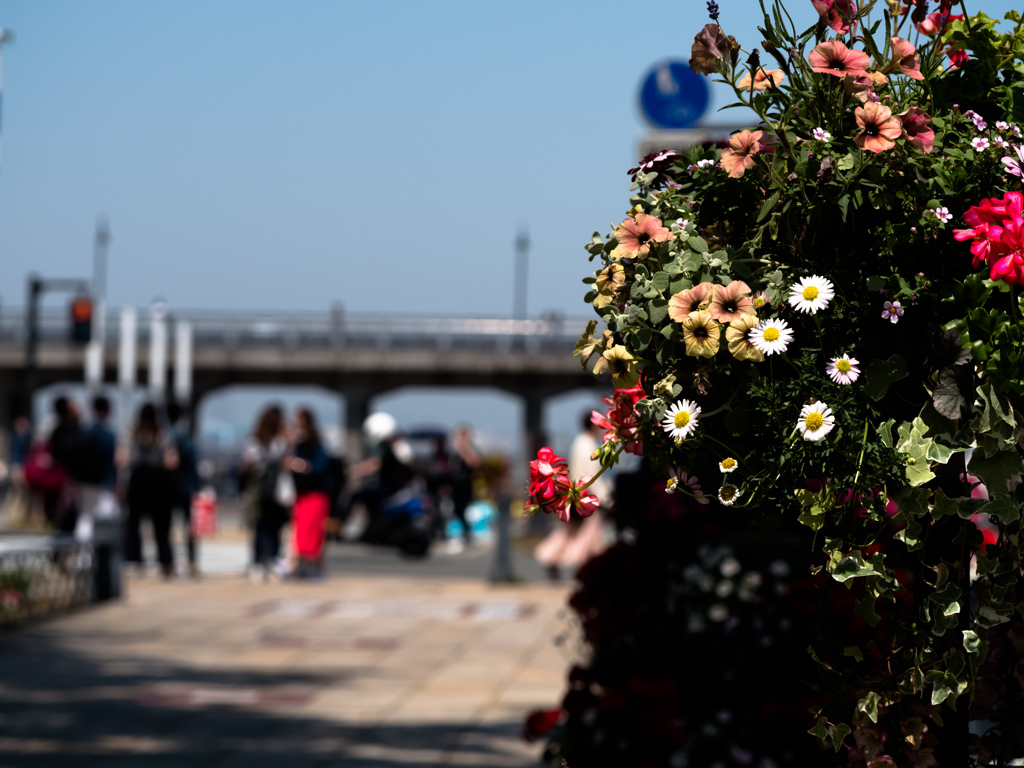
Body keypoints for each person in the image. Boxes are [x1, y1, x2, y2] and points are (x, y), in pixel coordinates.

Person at [535, 413, 610, 581]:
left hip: (577, 494)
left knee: (570, 533)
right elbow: (592, 476)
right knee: (588, 537)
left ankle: (552, 558)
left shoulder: (579, 442)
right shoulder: (589, 445)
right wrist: (605, 498)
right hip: (588, 497)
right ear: (593, 426)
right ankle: (573, 565)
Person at [125, 403, 179, 578]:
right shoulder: (163, 435)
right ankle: (166, 562)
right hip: (159, 484)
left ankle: (136, 561)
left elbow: (123, 459)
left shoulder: (131, 433)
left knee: (134, 525)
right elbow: (172, 462)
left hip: (138, 483)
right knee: (161, 527)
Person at [239, 405, 289, 581]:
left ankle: (259, 562)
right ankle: (273, 561)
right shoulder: (281, 442)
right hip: (276, 489)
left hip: (257, 489)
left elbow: (245, 466)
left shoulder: (254, 441)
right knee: (275, 527)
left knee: (260, 526)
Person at [287, 408, 332, 578]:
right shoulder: (294, 443)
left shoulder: (314, 443)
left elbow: (320, 466)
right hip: (301, 493)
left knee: (313, 532)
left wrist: (299, 465)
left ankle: (316, 568)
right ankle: (303, 567)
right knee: (300, 532)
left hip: (315, 493)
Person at [76, 396, 120, 543]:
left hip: (85, 481)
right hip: (104, 481)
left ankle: (83, 558)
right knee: (106, 518)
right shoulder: (109, 434)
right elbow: (113, 461)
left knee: (85, 516)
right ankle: (103, 558)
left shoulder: (85, 431)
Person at [167, 401, 200, 578]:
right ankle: (192, 562)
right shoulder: (187, 436)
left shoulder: (165, 435)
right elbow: (193, 462)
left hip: (168, 488)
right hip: (187, 487)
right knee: (190, 527)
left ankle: (170, 562)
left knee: (168, 527)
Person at [448, 424, 480, 547]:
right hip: (455, 487)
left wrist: (464, 448)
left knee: (464, 510)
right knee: (455, 511)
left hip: (465, 487)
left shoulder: (470, 450)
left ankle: (467, 534)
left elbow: (475, 464)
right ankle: (459, 534)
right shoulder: (454, 452)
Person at [5, 416, 34, 525]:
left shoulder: (14, 437)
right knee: (21, 490)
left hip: (16, 465)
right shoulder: (20, 437)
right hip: (19, 466)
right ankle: (17, 514)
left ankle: (16, 514)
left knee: (17, 491)